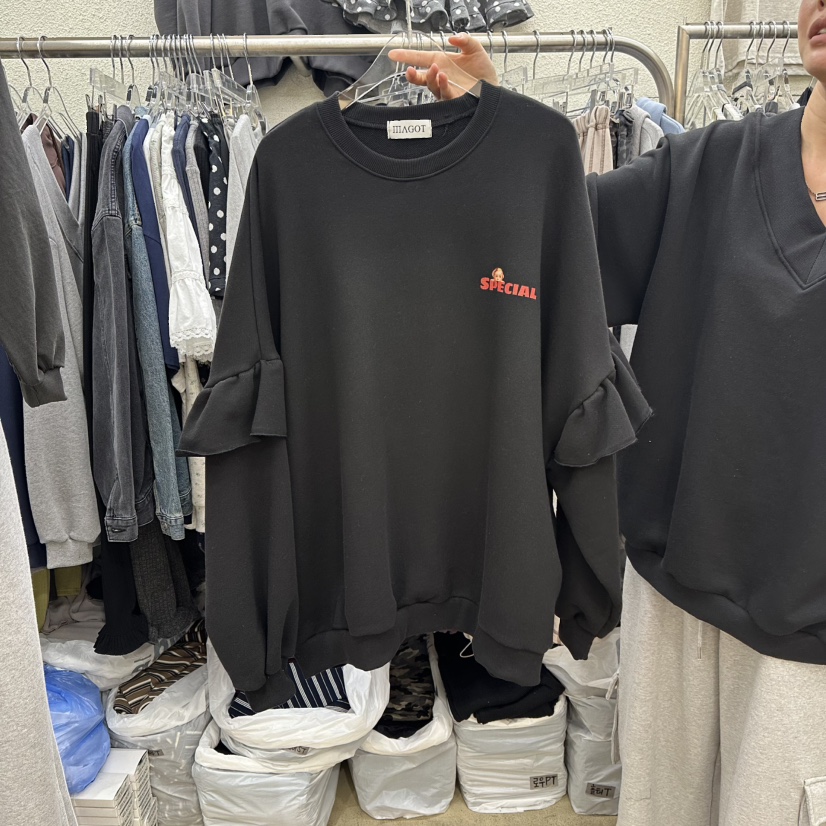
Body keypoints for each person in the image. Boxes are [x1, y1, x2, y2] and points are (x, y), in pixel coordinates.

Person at [393, 3, 826, 824]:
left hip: (809, 645)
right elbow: (554, 231)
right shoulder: (710, 166)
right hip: (677, 594)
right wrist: (496, 121)